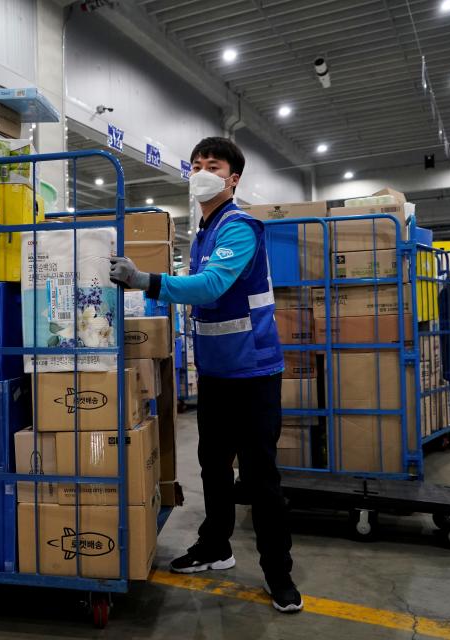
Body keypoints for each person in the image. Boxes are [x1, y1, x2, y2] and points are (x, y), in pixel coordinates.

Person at [109, 137, 301, 614]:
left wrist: (145, 280)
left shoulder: (240, 228)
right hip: (216, 372)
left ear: (232, 178)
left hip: (254, 371)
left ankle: (279, 575)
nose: (201, 171)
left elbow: (212, 287)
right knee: (213, 467)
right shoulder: (202, 233)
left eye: (211, 165)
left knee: (260, 479)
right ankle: (216, 546)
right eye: (195, 164)